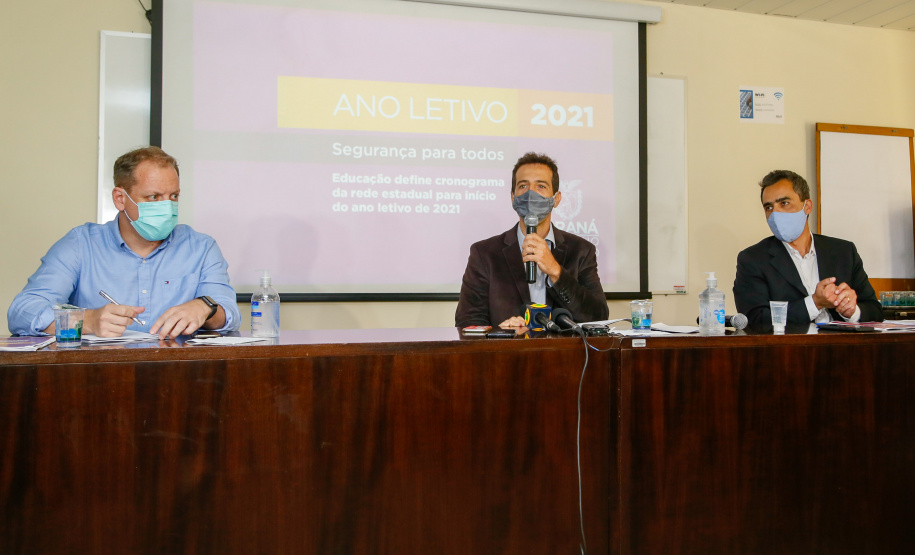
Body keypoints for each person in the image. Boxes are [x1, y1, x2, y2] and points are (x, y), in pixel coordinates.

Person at [8, 146, 241, 338]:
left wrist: (206, 307)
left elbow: (229, 314)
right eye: (153, 197)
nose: (167, 206)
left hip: (179, 371)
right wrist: (87, 321)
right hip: (99, 372)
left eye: (174, 196)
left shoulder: (201, 247)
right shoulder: (80, 245)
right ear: (120, 198)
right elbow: (22, 312)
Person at [455, 152, 609, 328]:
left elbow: (598, 316)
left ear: (556, 199)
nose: (530, 193)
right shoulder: (484, 253)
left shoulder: (581, 251)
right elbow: (467, 321)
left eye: (541, 186)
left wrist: (555, 270)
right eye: (523, 186)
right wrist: (502, 333)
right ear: (513, 197)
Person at [733, 169, 883, 327]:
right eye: (769, 207)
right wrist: (815, 303)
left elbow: (875, 310)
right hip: (792, 343)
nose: (775, 213)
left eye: (784, 203)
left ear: (807, 206)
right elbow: (755, 320)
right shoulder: (753, 259)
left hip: (841, 342)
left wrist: (852, 311)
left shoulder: (843, 251)